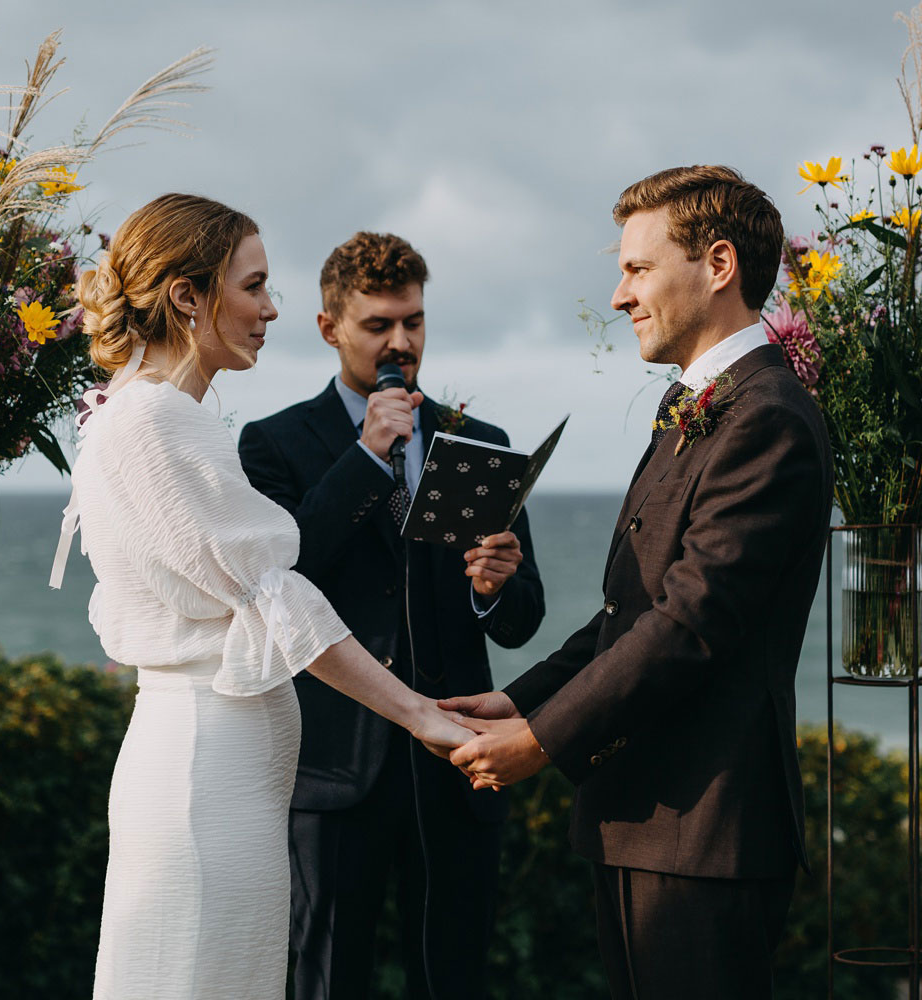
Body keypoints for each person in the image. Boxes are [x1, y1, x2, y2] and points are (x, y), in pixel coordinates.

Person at [49, 194, 477, 1000]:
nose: (271, 308)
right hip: (202, 779)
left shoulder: (160, 415)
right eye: (254, 286)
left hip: (223, 777)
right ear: (188, 296)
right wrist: (423, 715)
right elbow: (277, 597)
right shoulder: (153, 422)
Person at [444, 166, 835, 999]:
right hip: (644, 820)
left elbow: (691, 622)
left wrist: (542, 742)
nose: (619, 295)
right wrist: (521, 701)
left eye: (637, 268)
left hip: (706, 828)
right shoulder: (694, 405)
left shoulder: (767, 418)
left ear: (718, 264)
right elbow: (632, 610)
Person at [238, 231, 545, 1000]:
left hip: (457, 764)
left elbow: (520, 621)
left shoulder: (479, 441)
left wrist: (494, 585)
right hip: (336, 763)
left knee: (453, 979)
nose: (400, 343)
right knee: (326, 978)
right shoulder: (273, 444)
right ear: (329, 327)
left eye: (412, 322)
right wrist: (370, 456)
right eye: (378, 326)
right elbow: (285, 577)